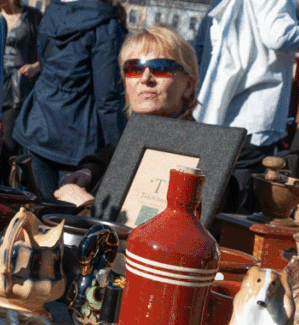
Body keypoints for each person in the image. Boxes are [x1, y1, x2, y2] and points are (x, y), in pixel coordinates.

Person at [194, 0, 299, 214]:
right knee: (239, 209)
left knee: (214, 203)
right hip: (254, 122)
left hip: (220, 118)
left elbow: (201, 54)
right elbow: (278, 36)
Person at [13, 0, 126, 200]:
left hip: (37, 124)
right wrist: (121, 146)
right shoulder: (107, 27)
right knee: (67, 222)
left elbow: (45, 61)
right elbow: (107, 95)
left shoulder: (52, 12)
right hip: (76, 139)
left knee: (35, 216)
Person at [54, 25, 198, 208]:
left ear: (188, 86)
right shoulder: (133, 138)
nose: (145, 78)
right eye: (134, 68)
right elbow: (109, 155)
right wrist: (90, 172)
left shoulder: (201, 154)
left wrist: (88, 206)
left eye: (161, 67)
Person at [0, 0, 42, 181]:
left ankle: (3, 187)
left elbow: (48, 50)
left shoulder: (32, 16)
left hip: (17, 87)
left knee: (8, 142)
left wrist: (36, 66)